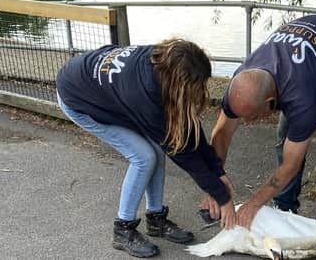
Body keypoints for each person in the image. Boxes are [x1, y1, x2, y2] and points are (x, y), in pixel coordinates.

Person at [202, 14, 316, 257]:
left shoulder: (302, 97)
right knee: (284, 136)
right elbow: (221, 134)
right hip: (310, 65)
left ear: (271, 102)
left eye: (252, 118)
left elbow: (292, 162)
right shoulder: (241, 81)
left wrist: (253, 205)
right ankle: (284, 207)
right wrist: (214, 182)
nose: (248, 125)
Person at [56, 38, 235, 258]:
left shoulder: (162, 62)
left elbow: (189, 128)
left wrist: (219, 172)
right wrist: (222, 198)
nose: (201, 91)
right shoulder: (146, 96)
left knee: (156, 150)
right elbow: (182, 152)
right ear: (179, 83)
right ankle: (123, 228)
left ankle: (156, 219)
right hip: (79, 99)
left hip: (99, 87)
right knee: (144, 157)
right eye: (196, 87)